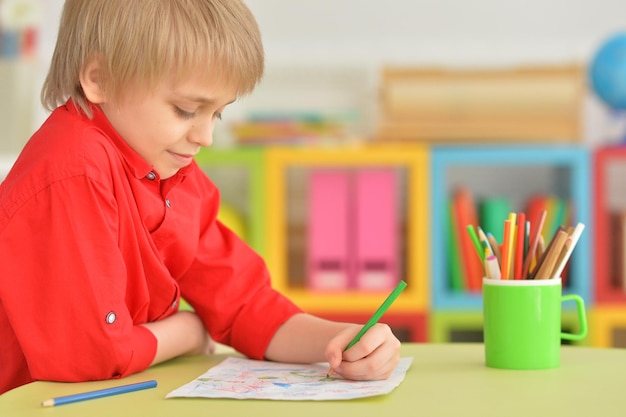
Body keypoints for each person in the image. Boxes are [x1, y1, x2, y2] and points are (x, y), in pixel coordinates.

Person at [0, 0, 401, 395]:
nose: (205, 137)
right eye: (186, 110)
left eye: (218, 114)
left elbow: (245, 306)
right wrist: (188, 331)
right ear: (99, 79)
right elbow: (93, 354)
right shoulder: (75, 168)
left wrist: (342, 340)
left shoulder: (173, 174)